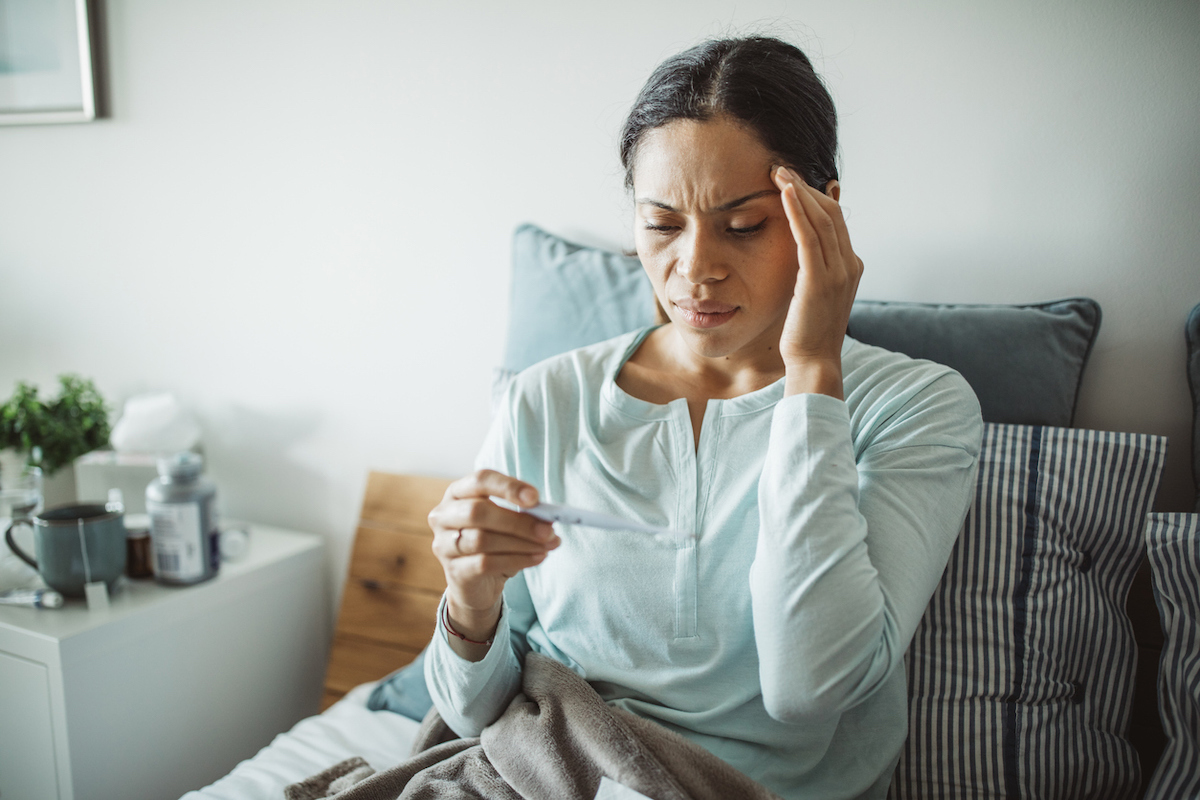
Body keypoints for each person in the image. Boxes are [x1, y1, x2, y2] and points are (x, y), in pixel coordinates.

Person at [424, 35, 983, 800]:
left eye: (744, 225)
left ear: (822, 210)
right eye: (661, 225)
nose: (695, 269)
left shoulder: (916, 406)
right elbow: (468, 714)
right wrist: (469, 598)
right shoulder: (545, 400)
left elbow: (810, 687)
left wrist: (814, 374)